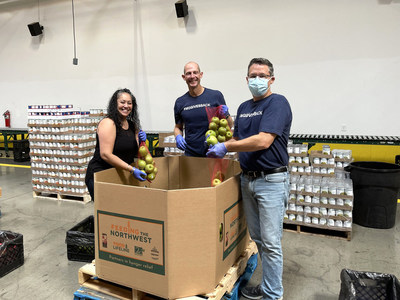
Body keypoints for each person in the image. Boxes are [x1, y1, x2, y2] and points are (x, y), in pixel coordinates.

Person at [207, 58, 292, 300]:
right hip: (248, 180)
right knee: (259, 239)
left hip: (272, 181)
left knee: (272, 242)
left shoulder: (278, 103)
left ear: (271, 79)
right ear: (246, 80)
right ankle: (268, 286)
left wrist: (226, 145)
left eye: (262, 75)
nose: (257, 79)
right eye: (253, 75)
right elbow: (238, 139)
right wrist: (222, 127)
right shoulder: (244, 107)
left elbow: (264, 140)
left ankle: (273, 295)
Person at [85, 88, 147, 201]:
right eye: (122, 102)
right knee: (107, 212)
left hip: (120, 174)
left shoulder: (132, 125)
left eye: (129, 103)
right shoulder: (108, 123)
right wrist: (132, 169)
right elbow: (105, 154)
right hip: (102, 174)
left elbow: (138, 153)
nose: (126, 106)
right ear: (115, 104)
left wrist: (142, 142)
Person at [173, 61, 234, 157]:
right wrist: (178, 136)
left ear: (201, 75)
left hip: (213, 152)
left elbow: (229, 125)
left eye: (195, 72)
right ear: (183, 77)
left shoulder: (215, 95)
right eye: (188, 73)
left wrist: (226, 114)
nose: (192, 76)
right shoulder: (180, 102)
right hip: (191, 154)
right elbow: (178, 127)